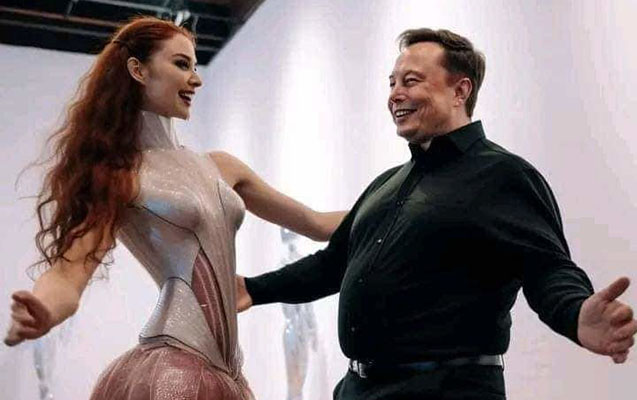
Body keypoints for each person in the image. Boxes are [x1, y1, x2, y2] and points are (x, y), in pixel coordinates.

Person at [237, 28, 637, 399]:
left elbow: (547, 268)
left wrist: (576, 313)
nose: (395, 94)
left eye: (411, 81)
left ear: (460, 90)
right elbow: (332, 265)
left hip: (445, 389)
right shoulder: (385, 185)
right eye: (392, 83)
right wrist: (253, 289)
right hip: (359, 388)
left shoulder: (501, 175)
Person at [4, 17, 345, 399]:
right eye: (182, 65)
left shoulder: (222, 166)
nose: (196, 80)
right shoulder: (120, 178)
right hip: (172, 368)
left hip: (225, 368)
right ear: (138, 70)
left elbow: (315, 223)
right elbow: (70, 272)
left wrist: (389, 199)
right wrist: (43, 310)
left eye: (195, 67)